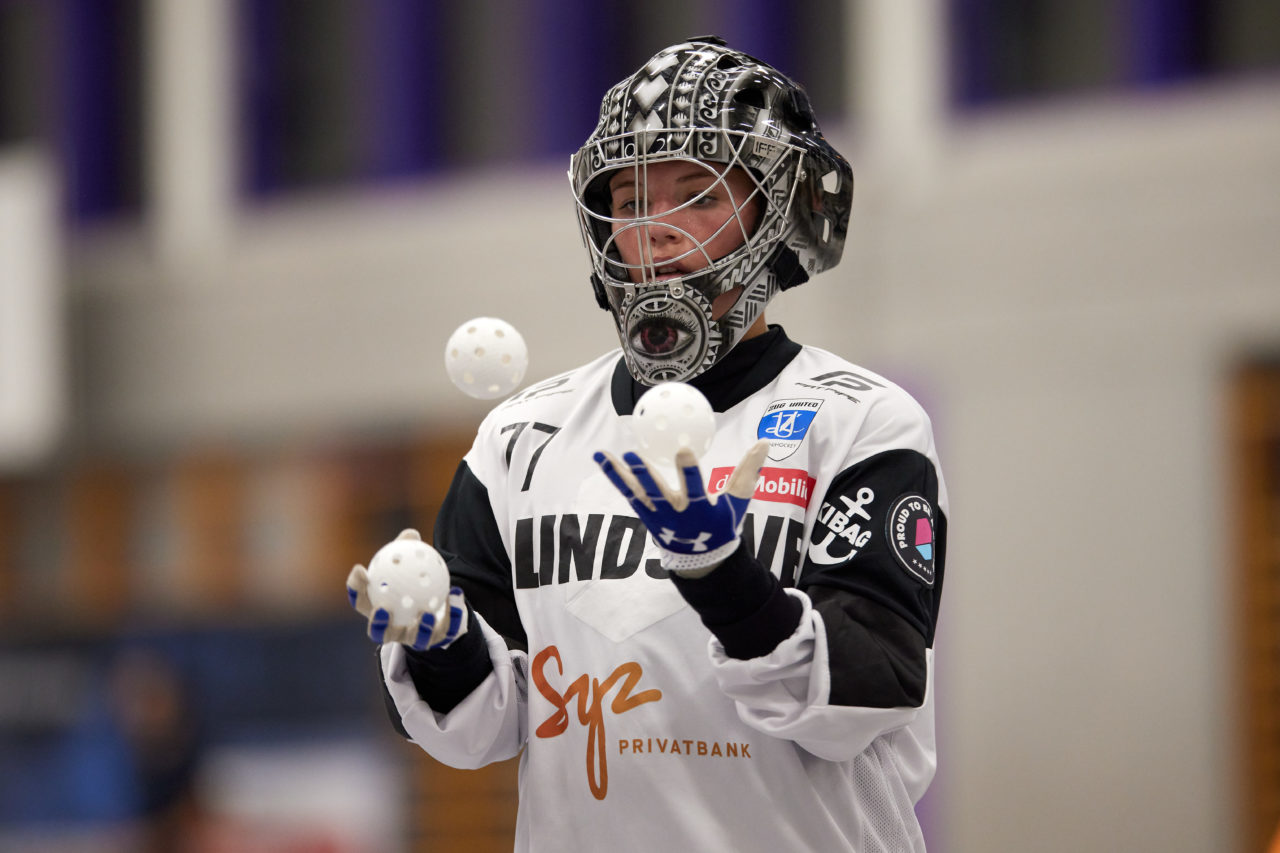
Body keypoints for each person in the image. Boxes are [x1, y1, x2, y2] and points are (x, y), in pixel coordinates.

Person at [347, 35, 948, 852]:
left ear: (778, 210)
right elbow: (479, 731)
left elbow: (872, 691)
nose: (657, 229)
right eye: (628, 202)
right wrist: (443, 643)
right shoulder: (520, 438)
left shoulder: (862, 421)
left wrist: (722, 575)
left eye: (696, 194)